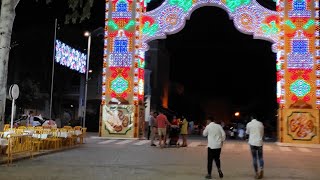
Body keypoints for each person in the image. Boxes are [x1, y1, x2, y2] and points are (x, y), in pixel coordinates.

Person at [246, 114, 264, 179]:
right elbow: (262, 133)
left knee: (254, 158)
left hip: (252, 142)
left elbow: (247, 133)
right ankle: (261, 169)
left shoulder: (249, 124)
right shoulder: (260, 124)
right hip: (259, 142)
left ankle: (256, 173)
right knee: (260, 157)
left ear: (251, 118)